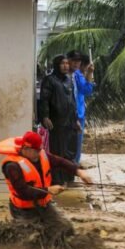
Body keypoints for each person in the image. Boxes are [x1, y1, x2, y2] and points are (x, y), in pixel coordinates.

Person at [0, 131, 92, 247]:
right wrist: (48, 190)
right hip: (23, 210)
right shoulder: (12, 166)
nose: (39, 153)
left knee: (66, 229)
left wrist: (79, 172)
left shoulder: (41, 155)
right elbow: (23, 192)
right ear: (26, 148)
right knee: (33, 240)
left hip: (43, 205)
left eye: (40, 149)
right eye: (36, 150)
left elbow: (60, 162)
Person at [38, 54, 79, 184]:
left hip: (70, 122)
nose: (66, 66)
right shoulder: (49, 80)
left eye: (67, 63)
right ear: (57, 65)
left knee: (70, 151)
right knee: (57, 151)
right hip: (56, 121)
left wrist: (76, 119)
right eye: (62, 63)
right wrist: (45, 116)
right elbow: (44, 100)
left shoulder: (69, 80)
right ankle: (57, 180)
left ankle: (69, 178)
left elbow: (72, 101)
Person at [67, 51, 95, 163]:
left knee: (74, 144)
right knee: (74, 144)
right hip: (75, 114)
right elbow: (86, 89)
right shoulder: (76, 74)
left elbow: (85, 90)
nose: (76, 63)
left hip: (77, 112)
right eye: (74, 61)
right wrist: (89, 74)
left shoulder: (75, 74)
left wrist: (88, 74)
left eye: (78, 61)